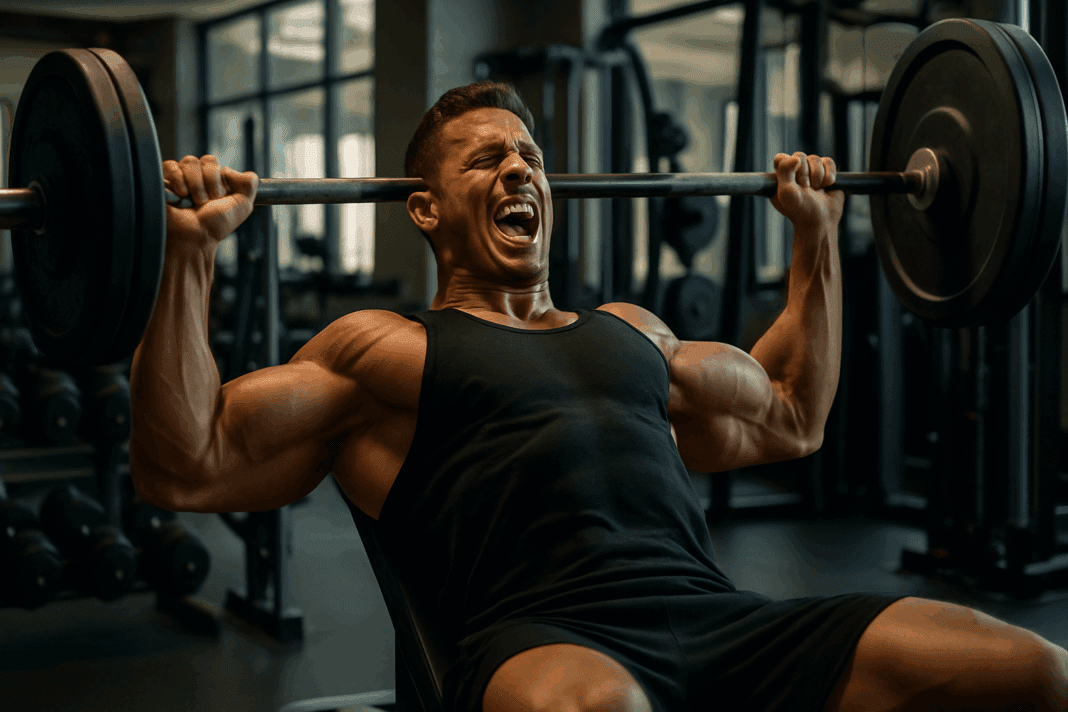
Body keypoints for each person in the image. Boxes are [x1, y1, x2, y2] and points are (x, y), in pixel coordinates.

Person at [131, 82, 1068, 712]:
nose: (519, 170)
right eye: (485, 160)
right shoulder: (384, 350)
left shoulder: (633, 331)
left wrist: (816, 235)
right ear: (424, 208)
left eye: (529, 157)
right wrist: (188, 255)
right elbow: (188, 463)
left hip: (724, 623)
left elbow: (791, 413)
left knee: (1032, 672)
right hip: (548, 642)